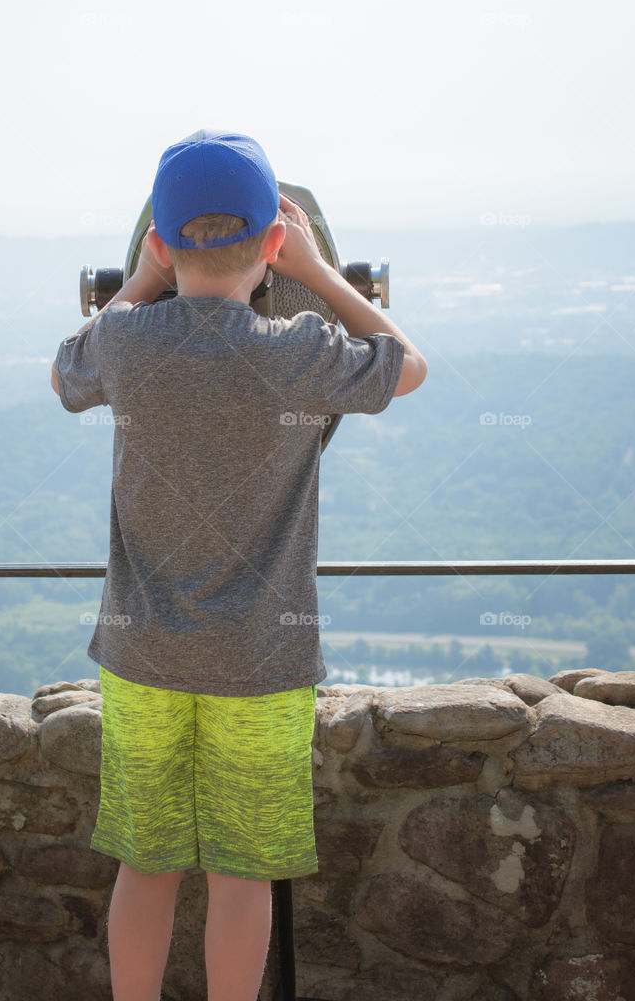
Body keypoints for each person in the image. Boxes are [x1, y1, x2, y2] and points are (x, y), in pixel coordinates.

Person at [50, 129, 427, 1001]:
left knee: (144, 868)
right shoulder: (296, 348)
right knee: (241, 873)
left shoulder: (126, 346)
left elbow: (69, 371)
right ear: (273, 246)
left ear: (155, 241)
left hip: (143, 659)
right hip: (262, 662)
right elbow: (407, 368)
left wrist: (143, 283)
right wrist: (327, 278)